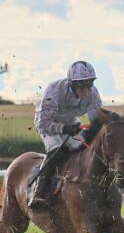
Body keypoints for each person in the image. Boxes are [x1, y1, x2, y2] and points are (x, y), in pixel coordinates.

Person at [29, 60, 102, 209]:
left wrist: (91, 130)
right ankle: (39, 191)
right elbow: (44, 123)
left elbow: (96, 117)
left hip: (70, 121)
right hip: (47, 122)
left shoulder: (93, 93)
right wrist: (64, 129)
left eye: (89, 84)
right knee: (56, 148)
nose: (86, 90)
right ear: (72, 83)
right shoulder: (54, 91)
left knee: (83, 149)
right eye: (82, 85)